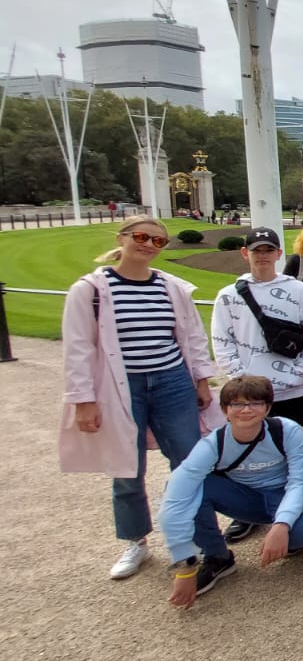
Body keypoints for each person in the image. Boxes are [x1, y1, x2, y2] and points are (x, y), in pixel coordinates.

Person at [59, 215, 218, 580]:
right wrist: (83, 400)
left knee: (189, 461)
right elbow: (78, 348)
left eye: (158, 241)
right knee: (127, 467)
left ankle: (196, 536)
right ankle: (136, 541)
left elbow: (192, 335)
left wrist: (201, 380)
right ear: (123, 238)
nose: (149, 245)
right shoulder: (90, 289)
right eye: (142, 237)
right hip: (120, 384)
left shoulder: (171, 286)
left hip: (171, 379)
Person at [159, 376, 303, 606]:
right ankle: (217, 557)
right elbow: (175, 498)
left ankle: (284, 535)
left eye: (255, 403)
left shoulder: (285, 430)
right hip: (243, 497)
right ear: (224, 409)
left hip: (282, 493)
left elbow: (300, 481)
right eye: (237, 404)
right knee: (192, 488)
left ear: (268, 408)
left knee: (301, 532)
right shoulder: (213, 443)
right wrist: (184, 566)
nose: (246, 410)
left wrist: (282, 524)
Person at [209, 226, 303, 433]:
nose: (263, 256)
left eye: (269, 250)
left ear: (279, 253)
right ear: (245, 253)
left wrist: (299, 372)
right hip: (250, 394)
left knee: (294, 443)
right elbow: (222, 342)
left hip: (294, 390)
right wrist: (243, 378)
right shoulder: (229, 295)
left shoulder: (298, 290)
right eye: (257, 251)